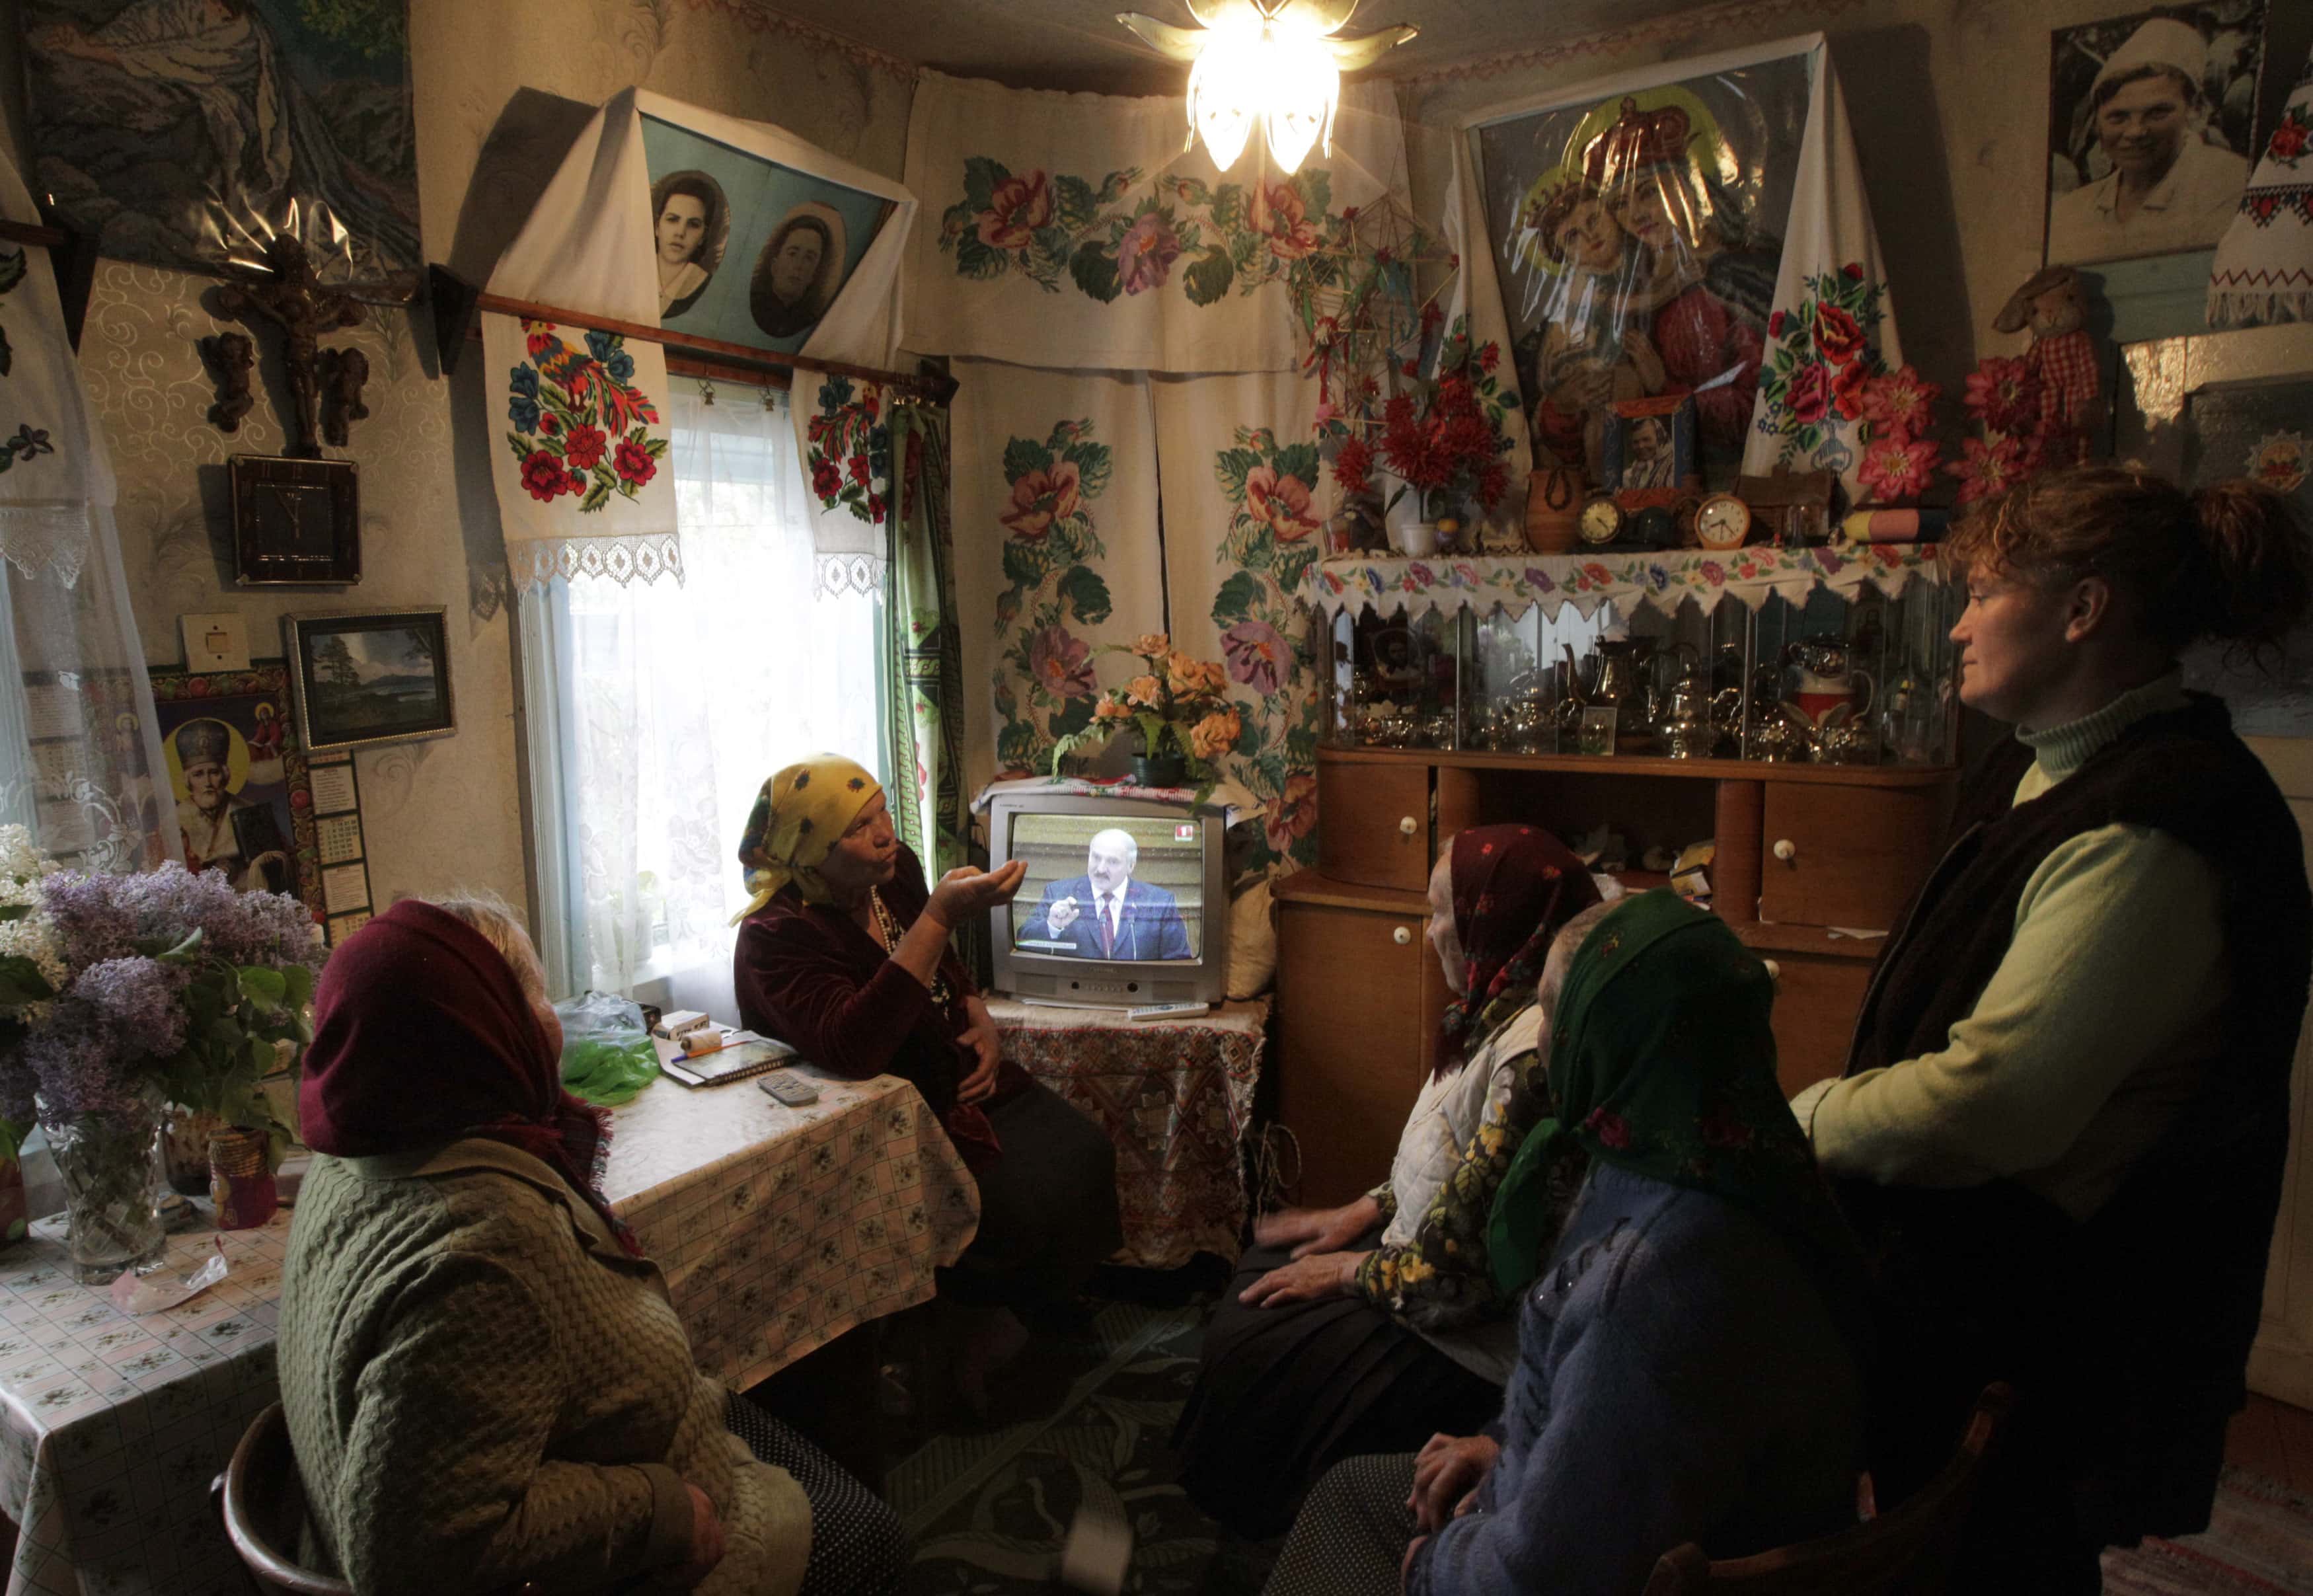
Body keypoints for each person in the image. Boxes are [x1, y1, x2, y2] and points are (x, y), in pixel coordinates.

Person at [1790, 467, 2313, 1591]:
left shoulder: (2156, 829)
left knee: (2002, 1560)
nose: (1964, 622)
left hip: (2055, 1326)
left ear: (2083, 612)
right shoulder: (2041, 770)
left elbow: (1995, 1102)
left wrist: (1815, 1118)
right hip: (1990, 1295)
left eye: (1986, 593)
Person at [278, 895, 911, 1596]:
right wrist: (658, 1511)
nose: (559, 1021)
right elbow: (422, 1556)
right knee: (872, 1532)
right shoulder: (483, 1254)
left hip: (599, 1463)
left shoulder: (344, 1162)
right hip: (666, 1549)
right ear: (479, 1029)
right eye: (541, 997)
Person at [1262, 892, 1870, 1596]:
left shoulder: (1654, 1278)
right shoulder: (1717, 1150)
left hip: (1579, 1564)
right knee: (1346, 1486)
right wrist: (1500, 1442)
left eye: (1554, 1012)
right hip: (1562, 1495)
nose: (1540, 1037)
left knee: (1339, 1509)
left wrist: (1432, 1571)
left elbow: (1548, 1569)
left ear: (1614, 1035)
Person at [1174, 826, 1601, 1539]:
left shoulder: (1531, 1059)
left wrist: (1349, 1272)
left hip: (1469, 1336)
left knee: (1258, 1353)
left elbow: (1464, 1273)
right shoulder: (1490, 1008)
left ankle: (1267, 1535)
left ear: (1494, 920)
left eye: (1441, 913)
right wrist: (1359, 1208)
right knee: (1261, 1279)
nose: (1427, 930)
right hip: (1428, 1264)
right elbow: (1454, 1161)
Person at [730, 755, 1123, 1407]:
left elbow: (943, 970)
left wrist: (974, 1008)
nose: (885, 834)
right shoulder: (775, 936)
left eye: (883, 811)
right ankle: (963, 1334)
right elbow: (853, 1047)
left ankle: (1017, 1314)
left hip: (953, 1072)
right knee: (1017, 1205)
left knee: (1083, 1153)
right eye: (859, 828)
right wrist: (939, 917)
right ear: (811, 850)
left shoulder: (893, 871)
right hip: (889, 1117)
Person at [2047, 19, 2250, 265]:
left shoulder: (2229, 185)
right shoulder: (2072, 211)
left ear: (2195, 109)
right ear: (2097, 123)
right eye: (2118, 117)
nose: (2135, 132)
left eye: (2157, 113)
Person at [1014, 827, 1192, 961]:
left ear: (1131, 866)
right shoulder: (1058, 892)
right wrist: (1052, 926)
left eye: (1112, 862)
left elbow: (1179, 962)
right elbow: (1023, 941)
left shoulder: (1160, 901)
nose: (1100, 869)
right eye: (1096, 858)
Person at [751, 211, 841, 339]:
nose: (799, 265)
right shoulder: (756, 309)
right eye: (793, 254)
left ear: (814, 276)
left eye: (809, 258)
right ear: (774, 266)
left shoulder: (808, 322)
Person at [652, 170, 726, 318]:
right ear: (657, 227)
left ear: (703, 237)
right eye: (673, 220)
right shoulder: (633, 270)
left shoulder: (702, 282)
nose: (680, 233)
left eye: (693, 224)